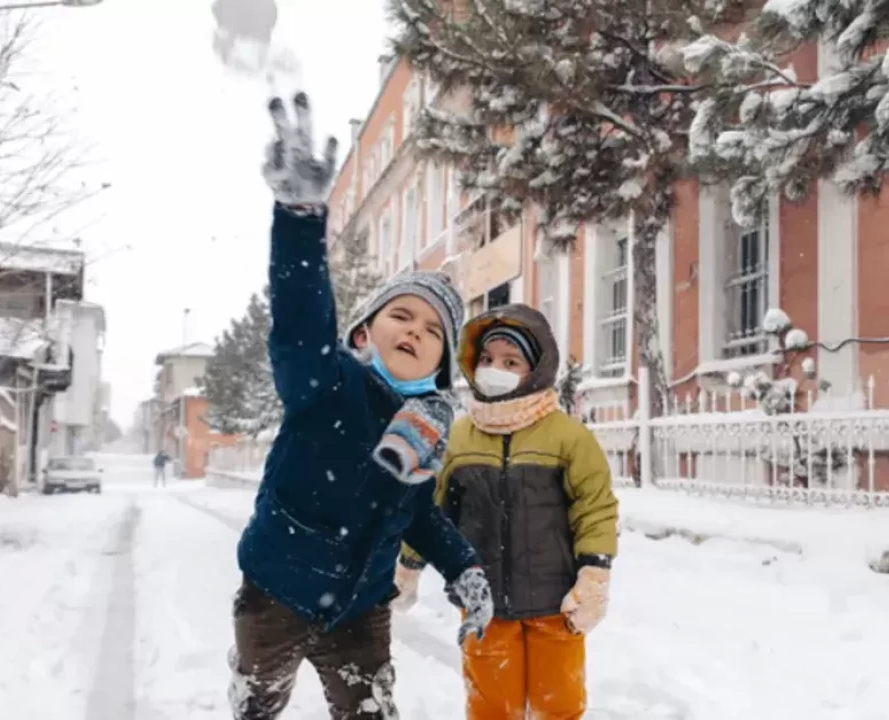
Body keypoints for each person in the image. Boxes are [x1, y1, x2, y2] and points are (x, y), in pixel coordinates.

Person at [228, 92, 493, 720]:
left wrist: (464, 568)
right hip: (277, 593)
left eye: (433, 331)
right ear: (361, 335)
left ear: (440, 364)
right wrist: (299, 217)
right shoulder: (325, 382)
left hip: (362, 611)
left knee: (371, 712)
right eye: (400, 315)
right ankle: (250, 693)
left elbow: (417, 514)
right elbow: (299, 317)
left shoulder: (427, 426)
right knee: (259, 707)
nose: (415, 331)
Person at [395, 304, 619, 719]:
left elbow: (595, 507)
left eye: (510, 361)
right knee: (491, 707)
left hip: (557, 603)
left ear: (535, 370)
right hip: (482, 602)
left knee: (559, 706)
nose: (493, 368)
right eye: (486, 359)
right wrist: (408, 566)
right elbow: (432, 511)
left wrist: (595, 571)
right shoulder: (460, 437)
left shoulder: (568, 437)